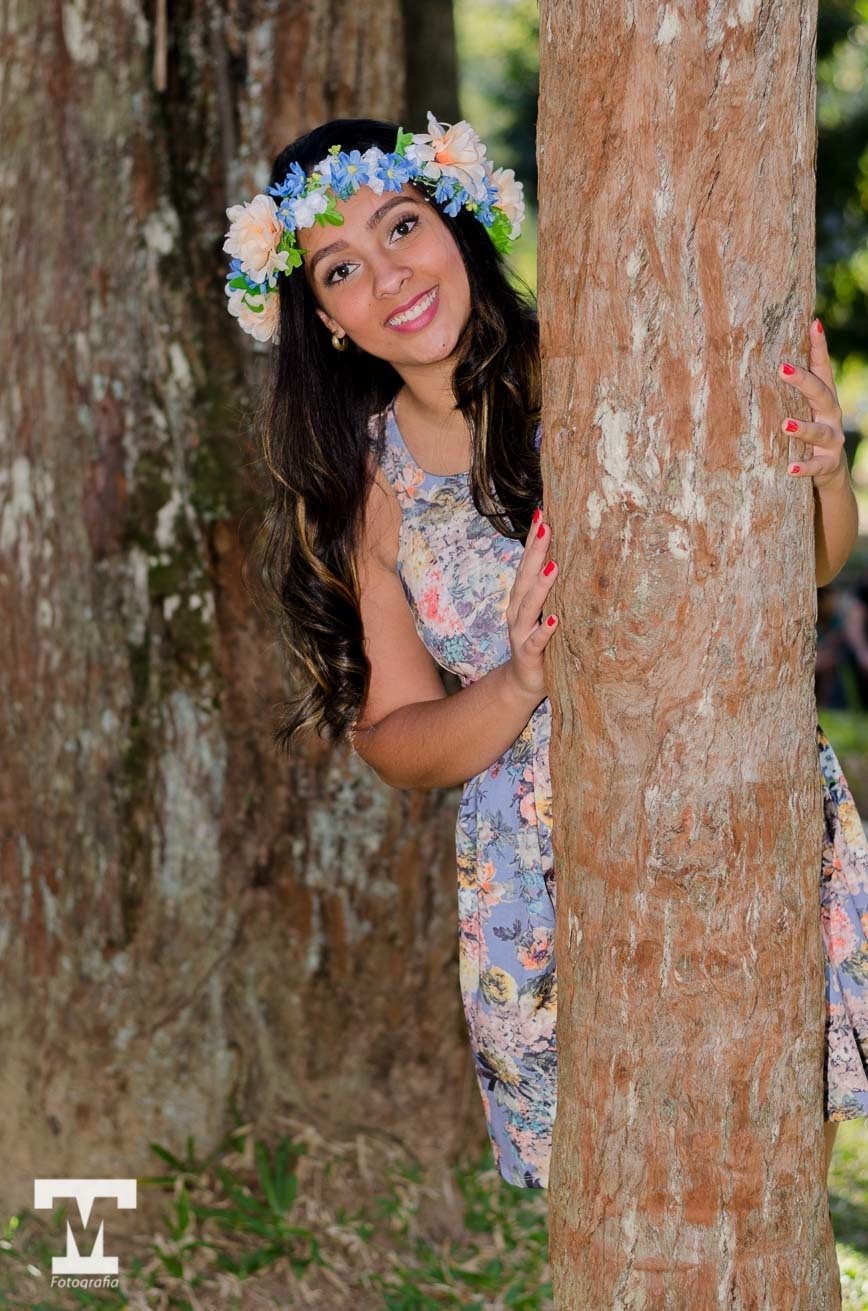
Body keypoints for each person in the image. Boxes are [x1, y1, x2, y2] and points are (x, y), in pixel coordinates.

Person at [223, 112, 868, 1189]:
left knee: (765, 1160)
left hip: (722, 783)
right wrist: (522, 680)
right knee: (629, 1185)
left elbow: (793, 572)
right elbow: (394, 742)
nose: (388, 277)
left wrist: (827, 473)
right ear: (322, 318)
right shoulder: (370, 491)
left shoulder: (604, 363)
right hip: (543, 864)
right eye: (342, 268)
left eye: (402, 227)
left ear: (459, 225)